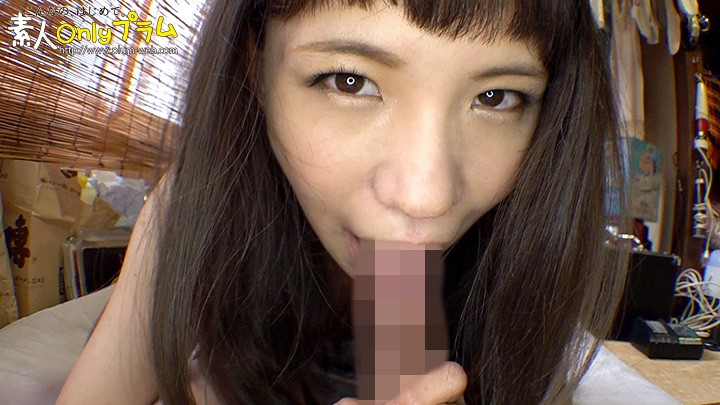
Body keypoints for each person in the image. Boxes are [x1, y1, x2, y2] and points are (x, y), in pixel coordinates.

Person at [58, 0, 629, 403]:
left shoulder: (516, 248)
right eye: (349, 81)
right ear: (255, 68)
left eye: (496, 97)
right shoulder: (196, 209)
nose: (426, 197)